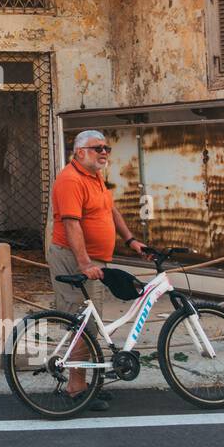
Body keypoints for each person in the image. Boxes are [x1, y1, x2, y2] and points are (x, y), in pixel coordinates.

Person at [48, 129, 147, 410]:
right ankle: (75, 388)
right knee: (82, 325)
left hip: (95, 261)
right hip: (74, 258)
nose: (104, 152)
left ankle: (87, 383)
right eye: (97, 148)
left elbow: (110, 211)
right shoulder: (70, 180)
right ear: (80, 153)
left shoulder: (95, 177)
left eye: (106, 148)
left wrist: (131, 240)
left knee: (92, 323)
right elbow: (71, 224)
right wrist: (84, 264)